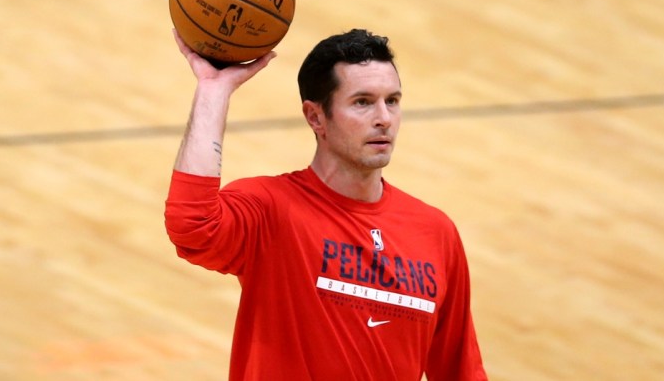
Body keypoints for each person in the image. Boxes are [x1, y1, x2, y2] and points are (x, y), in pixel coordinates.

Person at [164, 28, 488, 380]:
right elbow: (191, 225)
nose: (384, 118)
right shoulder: (271, 210)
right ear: (316, 117)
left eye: (392, 101)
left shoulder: (435, 233)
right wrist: (214, 91)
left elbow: (461, 370)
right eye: (362, 102)